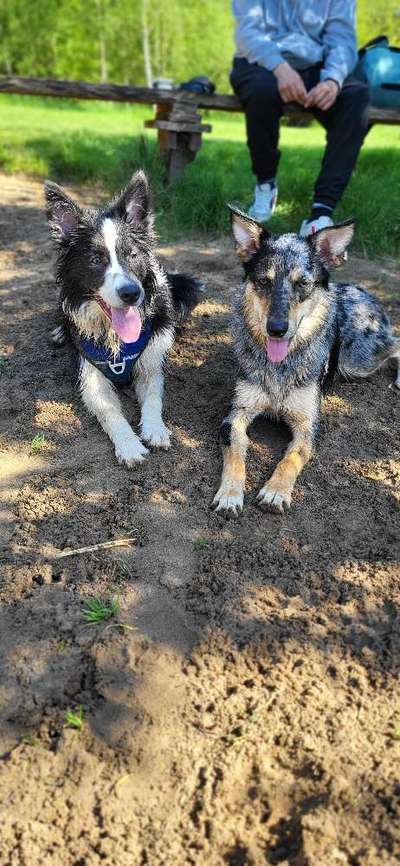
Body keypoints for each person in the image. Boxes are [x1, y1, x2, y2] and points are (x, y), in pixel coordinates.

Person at [231, 1, 369, 236]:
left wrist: (333, 79)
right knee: (261, 91)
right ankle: (266, 183)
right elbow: (248, 33)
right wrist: (280, 68)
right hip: (260, 62)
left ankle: (321, 212)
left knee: (356, 96)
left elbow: (343, 41)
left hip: (318, 67)